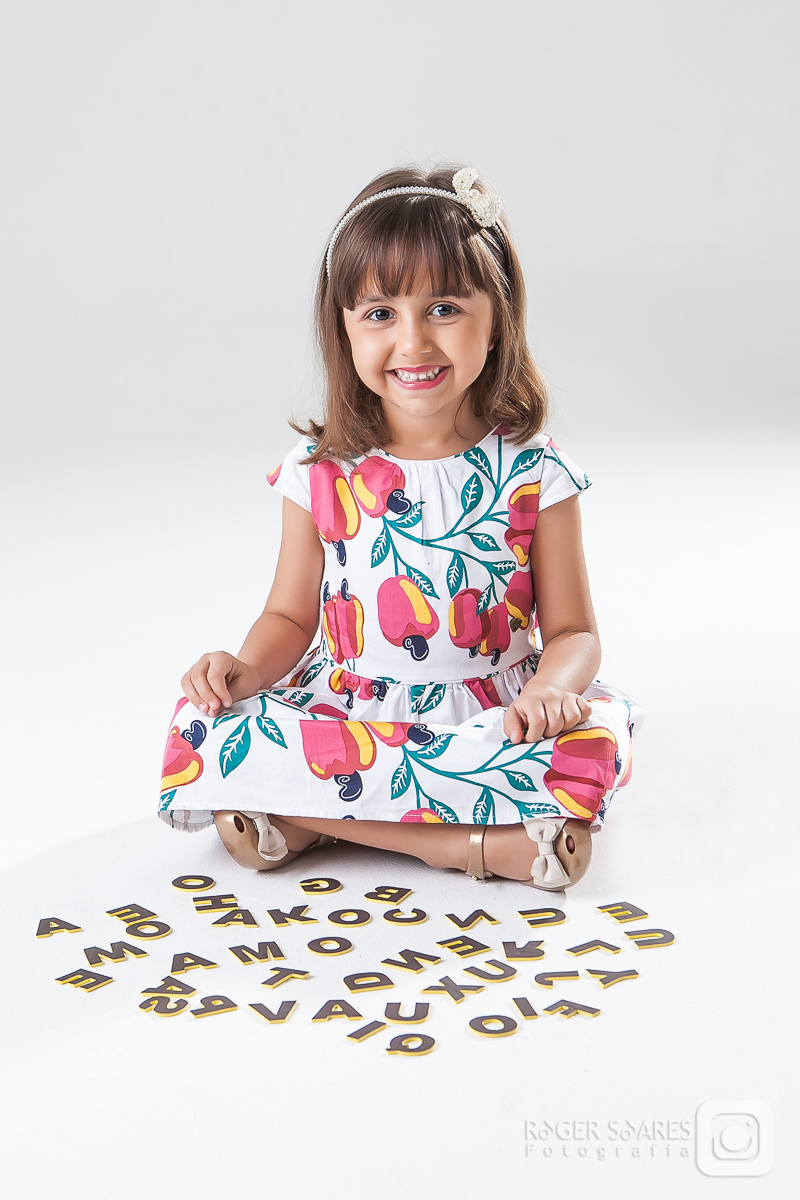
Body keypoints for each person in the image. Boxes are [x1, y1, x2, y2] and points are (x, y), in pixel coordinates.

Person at [159, 164, 644, 890]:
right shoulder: (320, 470)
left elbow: (574, 632)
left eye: (444, 308)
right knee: (202, 727)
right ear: (344, 330)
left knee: (589, 742)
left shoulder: (536, 472)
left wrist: (550, 690)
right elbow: (290, 615)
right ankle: (467, 845)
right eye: (380, 314)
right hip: (351, 712)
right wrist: (246, 670)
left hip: (493, 713)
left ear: (497, 316)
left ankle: (306, 819)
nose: (413, 343)